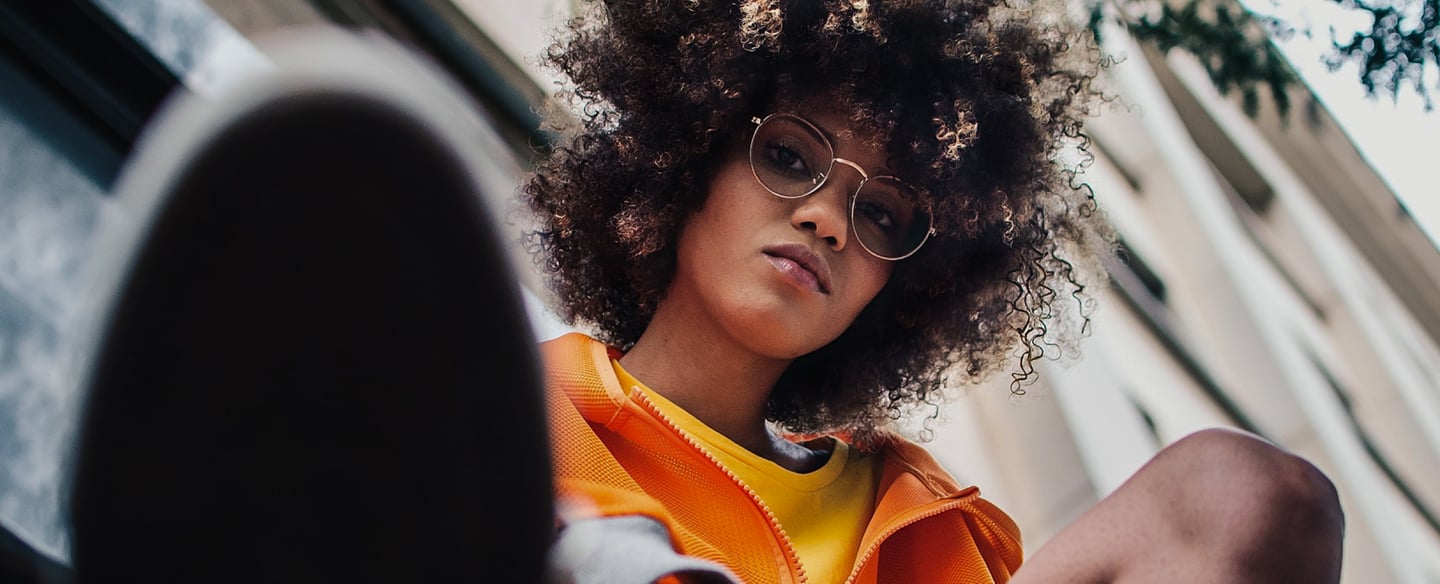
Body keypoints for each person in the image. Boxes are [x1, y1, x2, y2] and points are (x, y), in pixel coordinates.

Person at [523, 1, 1345, 583]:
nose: (827, 220)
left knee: (1243, 491)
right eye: (789, 157)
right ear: (691, 154)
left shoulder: (929, 523)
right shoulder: (511, 400)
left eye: (882, 214)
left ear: (906, 286)